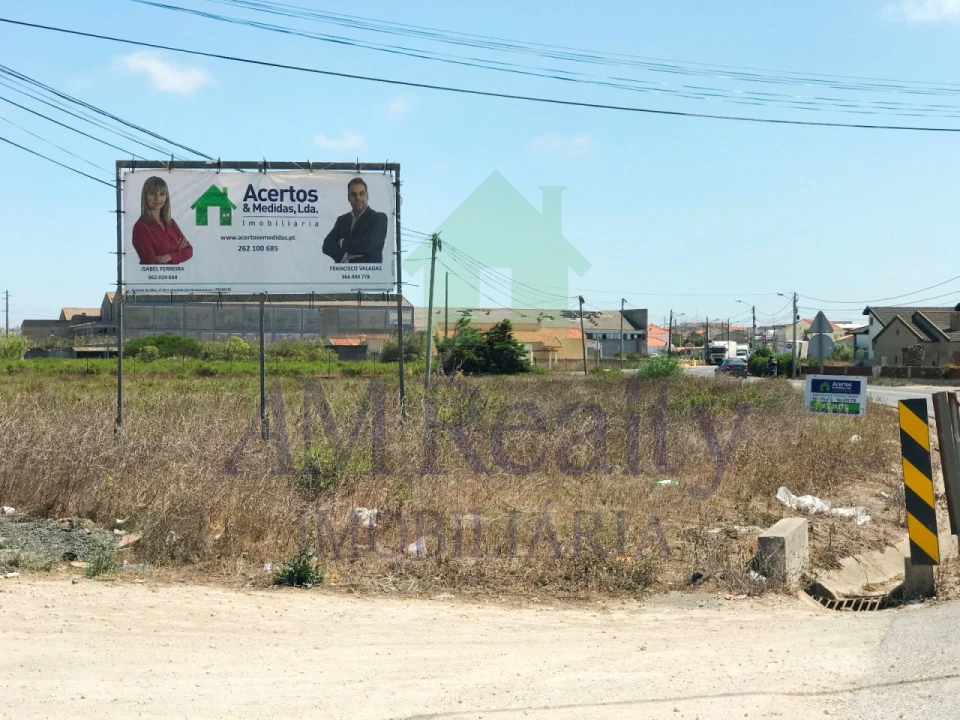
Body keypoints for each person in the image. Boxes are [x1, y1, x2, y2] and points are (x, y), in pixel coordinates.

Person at [322, 177, 387, 264]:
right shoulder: (342, 220)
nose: (358, 198)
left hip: (369, 275)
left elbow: (368, 244)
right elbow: (326, 245)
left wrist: (341, 242)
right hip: (343, 275)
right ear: (348, 197)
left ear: (367, 196)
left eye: (361, 194)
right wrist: (344, 256)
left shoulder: (379, 218)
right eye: (353, 194)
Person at [132, 176, 193, 265]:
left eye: (162, 194)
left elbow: (189, 251)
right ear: (145, 196)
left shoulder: (170, 223)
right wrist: (178, 252)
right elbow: (151, 262)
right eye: (152, 193)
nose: (158, 198)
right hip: (154, 278)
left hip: (177, 277)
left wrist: (169, 257)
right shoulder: (141, 227)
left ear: (166, 197)